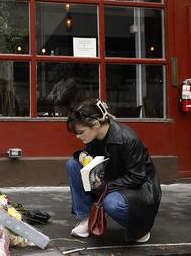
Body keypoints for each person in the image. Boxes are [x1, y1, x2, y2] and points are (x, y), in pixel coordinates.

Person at [66, 99, 160, 243]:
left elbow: (137, 177)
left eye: (80, 132)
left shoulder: (128, 139)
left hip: (139, 189)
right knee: (73, 165)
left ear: (96, 124)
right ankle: (88, 217)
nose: (77, 136)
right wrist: (81, 155)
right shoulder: (93, 136)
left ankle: (140, 227)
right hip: (111, 178)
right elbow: (92, 159)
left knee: (112, 203)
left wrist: (106, 186)